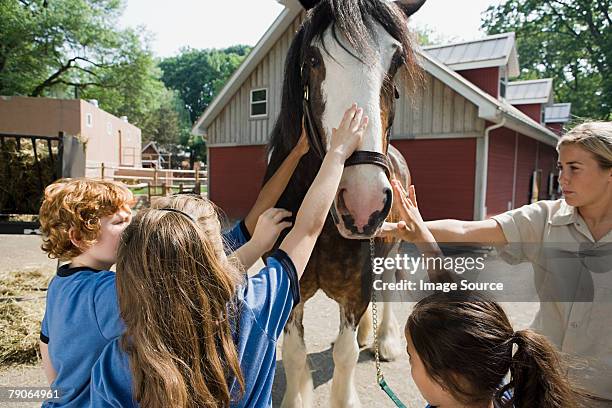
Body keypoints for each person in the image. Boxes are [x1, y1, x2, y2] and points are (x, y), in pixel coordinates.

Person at [89, 104, 369, 407]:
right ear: (215, 256)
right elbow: (307, 230)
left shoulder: (114, 362)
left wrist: (299, 151)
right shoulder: (253, 311)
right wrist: (337, 154)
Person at [38, 129, 310, 407]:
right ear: (80, 237)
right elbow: (198, 282)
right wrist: (258, 245)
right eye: (120, 222)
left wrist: (296, 154)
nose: (134, 226)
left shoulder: (60, 285)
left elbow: (46, 349)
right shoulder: (106, 293)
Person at [383, 121, 612, 406]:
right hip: (538, 383)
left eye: (574, 168)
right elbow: (468, 230)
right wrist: (410, 227)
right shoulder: (546, 218)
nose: (562, 178)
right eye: (560, 167)